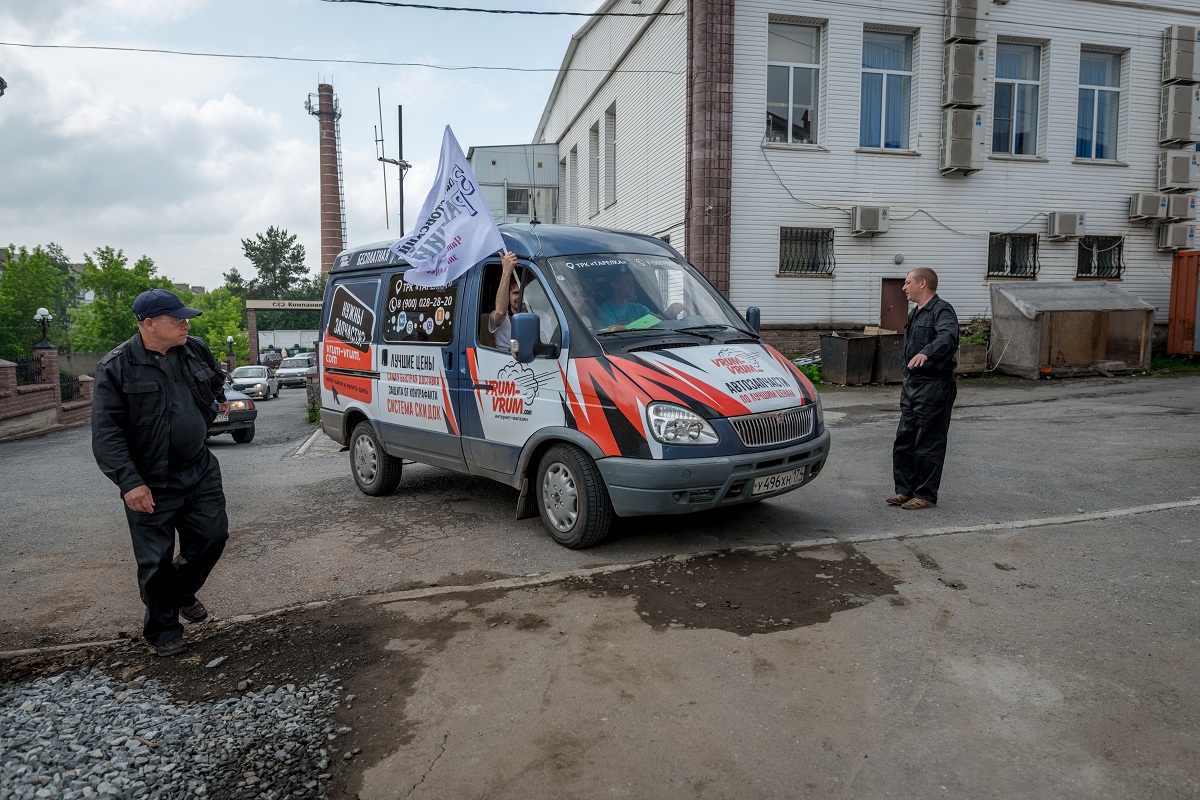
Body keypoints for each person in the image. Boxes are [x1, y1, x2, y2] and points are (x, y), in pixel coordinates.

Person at [91, 289, 231, 656]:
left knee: (213, 537)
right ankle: (163, 629)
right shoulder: (116, 366)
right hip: (150, 480)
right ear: (149, 324)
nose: (186, 324)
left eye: (186, 318)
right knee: (155, 561)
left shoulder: (194, 348)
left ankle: (182, 592)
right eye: (177, 319)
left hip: (199, 468)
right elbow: (107, 433)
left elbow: (215, 381)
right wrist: (129, 482)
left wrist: (209, 409)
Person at [888, 268, 959, 510]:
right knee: (905, 439)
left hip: (934, 386)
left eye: (908, 282)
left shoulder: (942, 310)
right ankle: (905, 491)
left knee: (929, 442)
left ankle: (926, 495)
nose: (903, 287)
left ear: (923, 283)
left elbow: (948, 336)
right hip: (914, 384)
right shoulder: (916, 313)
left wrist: (926, 353)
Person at [487, 250, 554, 349]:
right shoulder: (500, 319)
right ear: (508, 296)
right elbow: (500, 312)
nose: (521, 297)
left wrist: (542, 342)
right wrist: (506, 271)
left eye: (524, 293)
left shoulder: (543, 318)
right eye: (515, 293)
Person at [595, 265, 683, 330]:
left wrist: (669, 313)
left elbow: (657, 321)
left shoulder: (639, 308)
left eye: (632, 282)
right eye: (627, 282)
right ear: (615, 285)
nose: (632, 285)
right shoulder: (604, 310)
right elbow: (614, 333)